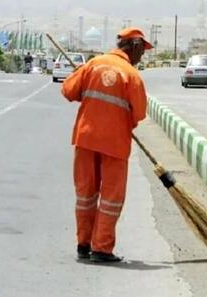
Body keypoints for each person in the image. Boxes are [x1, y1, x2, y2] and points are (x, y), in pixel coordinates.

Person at [61, 27, 153, 263]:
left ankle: (83, 244)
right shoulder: (131, 76)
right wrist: (123, 118)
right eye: (142, 50)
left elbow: (68, 91)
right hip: (115, 144)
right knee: (111, 198)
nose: (142, 56)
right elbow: (140, 113)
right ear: (133, 46)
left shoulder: (93, 64)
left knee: (85, 195)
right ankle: (101, 248)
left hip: (85, 139)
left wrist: (86, 89)